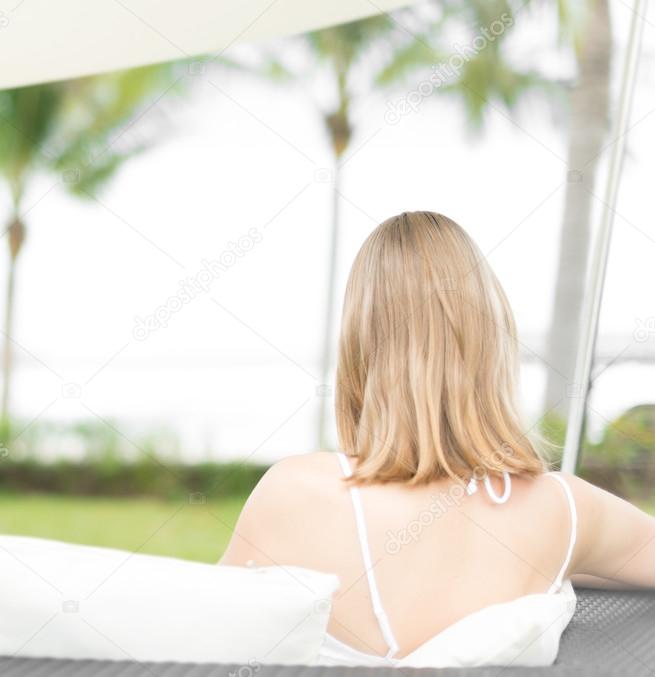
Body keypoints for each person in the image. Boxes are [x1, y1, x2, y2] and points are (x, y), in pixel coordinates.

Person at [219, 211, 655, 668]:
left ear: (360, 346)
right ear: (492, 338)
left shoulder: (298, 492)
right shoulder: (565, 512)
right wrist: (568, 562)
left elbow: (196, 639)